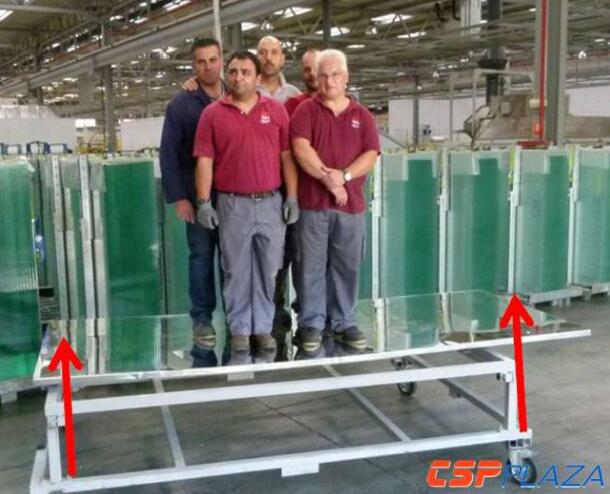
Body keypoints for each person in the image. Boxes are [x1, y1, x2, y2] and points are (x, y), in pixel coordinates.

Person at [193, 51, 299, 365]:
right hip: (232, 205)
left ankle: (263, 329)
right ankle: (239, 331)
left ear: (257, 77)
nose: (239, 77)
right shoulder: (213, 114)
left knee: (269, 270)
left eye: (246, 72)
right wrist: (203, 201)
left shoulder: (276, 111)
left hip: (270, 204)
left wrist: (292, 197)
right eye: (234, 72)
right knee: (236, 271)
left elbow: (286, 157)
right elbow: (205, 160)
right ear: (227, 75)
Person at [290, 49, 380, 358]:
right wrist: (329, 179)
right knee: (310, 266)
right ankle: (312, 323)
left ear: (346, 77)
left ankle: (344, 321)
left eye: (335, 75)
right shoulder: (305, 112)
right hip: (313, 206)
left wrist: (345, 176)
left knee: (347, 265)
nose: (329, 81)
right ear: (317, 78)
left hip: (350, 208)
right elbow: (301, 148)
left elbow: (371, 154)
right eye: (324, 75)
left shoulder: (362, 116)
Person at [159, 37, 226, 367]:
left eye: (213, 59)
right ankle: (202, 319)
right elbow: (168, 154)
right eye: (201, 61)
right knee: (201, 257)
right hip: (197, 196)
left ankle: (237, 316)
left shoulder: (237, 94)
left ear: (222, 60)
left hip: (234, 197)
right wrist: (180, 198)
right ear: (193, 65)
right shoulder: (182, 104)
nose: (208, 66)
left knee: (233, 260)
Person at [285, 48, 319, 117]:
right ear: (302, 73)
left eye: (317, 68)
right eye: (307, 69)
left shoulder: (337, 103)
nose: (312, 73)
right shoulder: (293, 104)